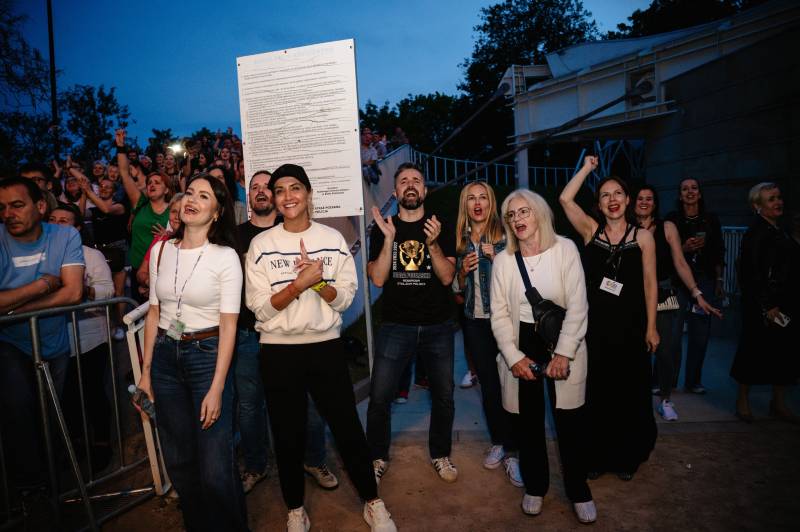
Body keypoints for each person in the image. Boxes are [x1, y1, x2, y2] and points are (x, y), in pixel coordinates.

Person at [246, 164, 396, 532]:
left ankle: (372, 502)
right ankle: (295, 508)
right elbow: (260, 309)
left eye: (295, 188)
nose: (288, 196)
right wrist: (298, 285)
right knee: (287, 434)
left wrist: (317, 283)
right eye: (280, 190)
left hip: (325, 347)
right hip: (278, 352)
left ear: (309, 194)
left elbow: (344, 299)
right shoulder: (261, 245)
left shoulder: (332, 238)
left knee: (347, 428)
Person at [136, 173, 247, 531]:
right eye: (189, 192)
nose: (192, 200)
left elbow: (229, 324)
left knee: (215, 467)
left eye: (204, 196)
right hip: (165, 359)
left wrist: (217, 387)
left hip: (207, 356)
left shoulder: (225, 257)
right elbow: (154, 313)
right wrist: (146, 373)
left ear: (217, 212)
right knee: (180, 461)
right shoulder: (162, 250)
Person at [491, 189, 596, 523]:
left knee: (570, 421)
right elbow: (499, 315)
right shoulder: (503, 260)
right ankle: (535, 486)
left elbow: (578, 305)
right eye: (511, 215)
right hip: (521, 341)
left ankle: (579, 490)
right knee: (528, 423)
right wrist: (513, 357)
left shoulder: (565, 249)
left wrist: (564, 353)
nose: (517, 219)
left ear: (539, 213)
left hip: (561, 339)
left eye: (524, 211)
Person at [235, 170, 338, 494]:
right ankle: (256, 465)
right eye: (254, 187)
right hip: (247, 334)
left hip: (291, 338)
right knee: (250, 406)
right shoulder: (236, 237)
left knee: (310, 404)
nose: (261, 192)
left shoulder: (297, 234)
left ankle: (314, 459)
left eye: (267, 187)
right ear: (249, 197)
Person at [560, 155, 658, 480]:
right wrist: (587, 169)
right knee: (598, 392)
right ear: (599, 204)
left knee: (629, 393)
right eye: (605, 195)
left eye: (618, 194)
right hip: (597, 329)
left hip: (631, 329)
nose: (612, 200)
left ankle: (627, 457)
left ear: (628, 200)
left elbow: (650, 284)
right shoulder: (591, 231)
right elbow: (565, 199)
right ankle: (598, 457)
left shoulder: (643, 237)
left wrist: (652, 327)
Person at [366, 162, 458, 484]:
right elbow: (378, 279)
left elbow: (447, 277)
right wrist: (389, 240)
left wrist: (432, 244)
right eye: (403, 180)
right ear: (395, 192)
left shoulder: (439, 226)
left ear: (424, 190)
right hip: (396, 325)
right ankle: (377, 456)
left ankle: (440, 454)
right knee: (380, 397)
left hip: (437, 325)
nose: (410, 184)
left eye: (416, 180)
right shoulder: (383, 228)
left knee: (444, 395)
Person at [0, 177, 85, 488]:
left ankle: (52, 487)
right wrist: (43, 285)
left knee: (49, 416)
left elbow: (73, 292)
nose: (8, 214)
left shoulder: (64, 235)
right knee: (18, 413)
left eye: (16, 205)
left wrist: (14, 309)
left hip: (53, 344)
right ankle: (29, 491)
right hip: (9, 342)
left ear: (39, 206)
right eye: (2, 208)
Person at [633, 186, 722, 421]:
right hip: (634, 296)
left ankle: (665, 400)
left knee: (667, 350)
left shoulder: (667, 227)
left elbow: (680, 263)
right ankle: (636, 402)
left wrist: (696, 293)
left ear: (655, 203)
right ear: (633, 202)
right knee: (635, 351)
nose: (644, 202)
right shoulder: (626, 227)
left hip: (665, 294)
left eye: (649, 198)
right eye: (640, 198)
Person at [454, 181, 521, 484]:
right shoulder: (462, 240)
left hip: (504, 321)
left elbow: (522, 277)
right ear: (465, 205)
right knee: (490, 387)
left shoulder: (507, 236)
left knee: (512, 385)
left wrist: (499, 259)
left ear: (491, 203)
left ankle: (515, 451)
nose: (478, 203)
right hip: (475, 322)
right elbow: (457, 289)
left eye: (483, 198)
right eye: (472, 198)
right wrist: (462, 272)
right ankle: (501, 443)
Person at [49, 203, 115, 471]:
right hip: (57, 340)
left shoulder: (91, 255)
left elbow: (108, 291)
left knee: (93, 391)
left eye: (63, 221)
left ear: (77, 228)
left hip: (90, 338)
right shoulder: (44, 258)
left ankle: (102, 442)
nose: (56, 225)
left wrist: (82, 290)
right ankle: (74, 443)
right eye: (52, 219)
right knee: (66, 395)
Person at [731, 183, 798, 422]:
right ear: (757, 206)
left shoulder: (781, 230)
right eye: (771, 199)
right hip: (763, 305)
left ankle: (778, 403)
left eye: (778, 197)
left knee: (784, 353)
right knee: (752, 351)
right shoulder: (756, 233)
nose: (778, 202)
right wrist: (768, 305)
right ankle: (742, 401)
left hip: (784, 302)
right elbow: (751, 274)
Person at [666, 177, 725, 394]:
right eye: (685, 189)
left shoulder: (711, 219)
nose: (690, 192)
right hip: (679, 282)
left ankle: (693, 382)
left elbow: (719, 251)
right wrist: (683, 248)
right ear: (680, 196)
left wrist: (719, 280)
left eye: (694, 188)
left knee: (700, 334)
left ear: (699, 194)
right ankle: (668, 381)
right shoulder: (672, 219)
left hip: (705, 280)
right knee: (672, 335)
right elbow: (666, 252)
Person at [116, 129, 173, 301]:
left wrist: (169, 235)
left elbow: (185, 236)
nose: (151, 185)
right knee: (139, 313)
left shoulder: (175, 210)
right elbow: (124, 173)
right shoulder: (139, 203)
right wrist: (120, 147)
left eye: (157, 182)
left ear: (167, 189)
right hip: (138, 271)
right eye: (149, 183)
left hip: (165, 271)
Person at [78, 174, 130, 340]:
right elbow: (79, 216)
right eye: (101, 186)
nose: (104, 189)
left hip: (118, 250)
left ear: (114, 191)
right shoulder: (94, 210)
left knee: (119, 291)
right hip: (100, 252)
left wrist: (88, 190)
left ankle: (119, 325)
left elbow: (106, 210)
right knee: (106, 290)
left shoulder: (119, 206)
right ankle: (107, 325)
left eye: (108, 187)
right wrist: (84, 193)